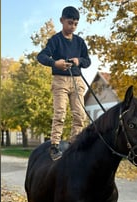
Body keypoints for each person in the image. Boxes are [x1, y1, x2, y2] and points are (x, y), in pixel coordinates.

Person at [37, 6, 91, 161]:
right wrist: (55, 63)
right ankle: (54, 145)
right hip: (60, 80)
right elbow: (41, 56)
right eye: (69, 23)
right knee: (60, 113)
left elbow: (87, 61)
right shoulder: (55, 40)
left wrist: (78, 61)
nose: (72, 26)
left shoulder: (80, 42)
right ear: (62, 21)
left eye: (75, 24)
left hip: (77, 80)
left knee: (79, 114)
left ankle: (74, 143)